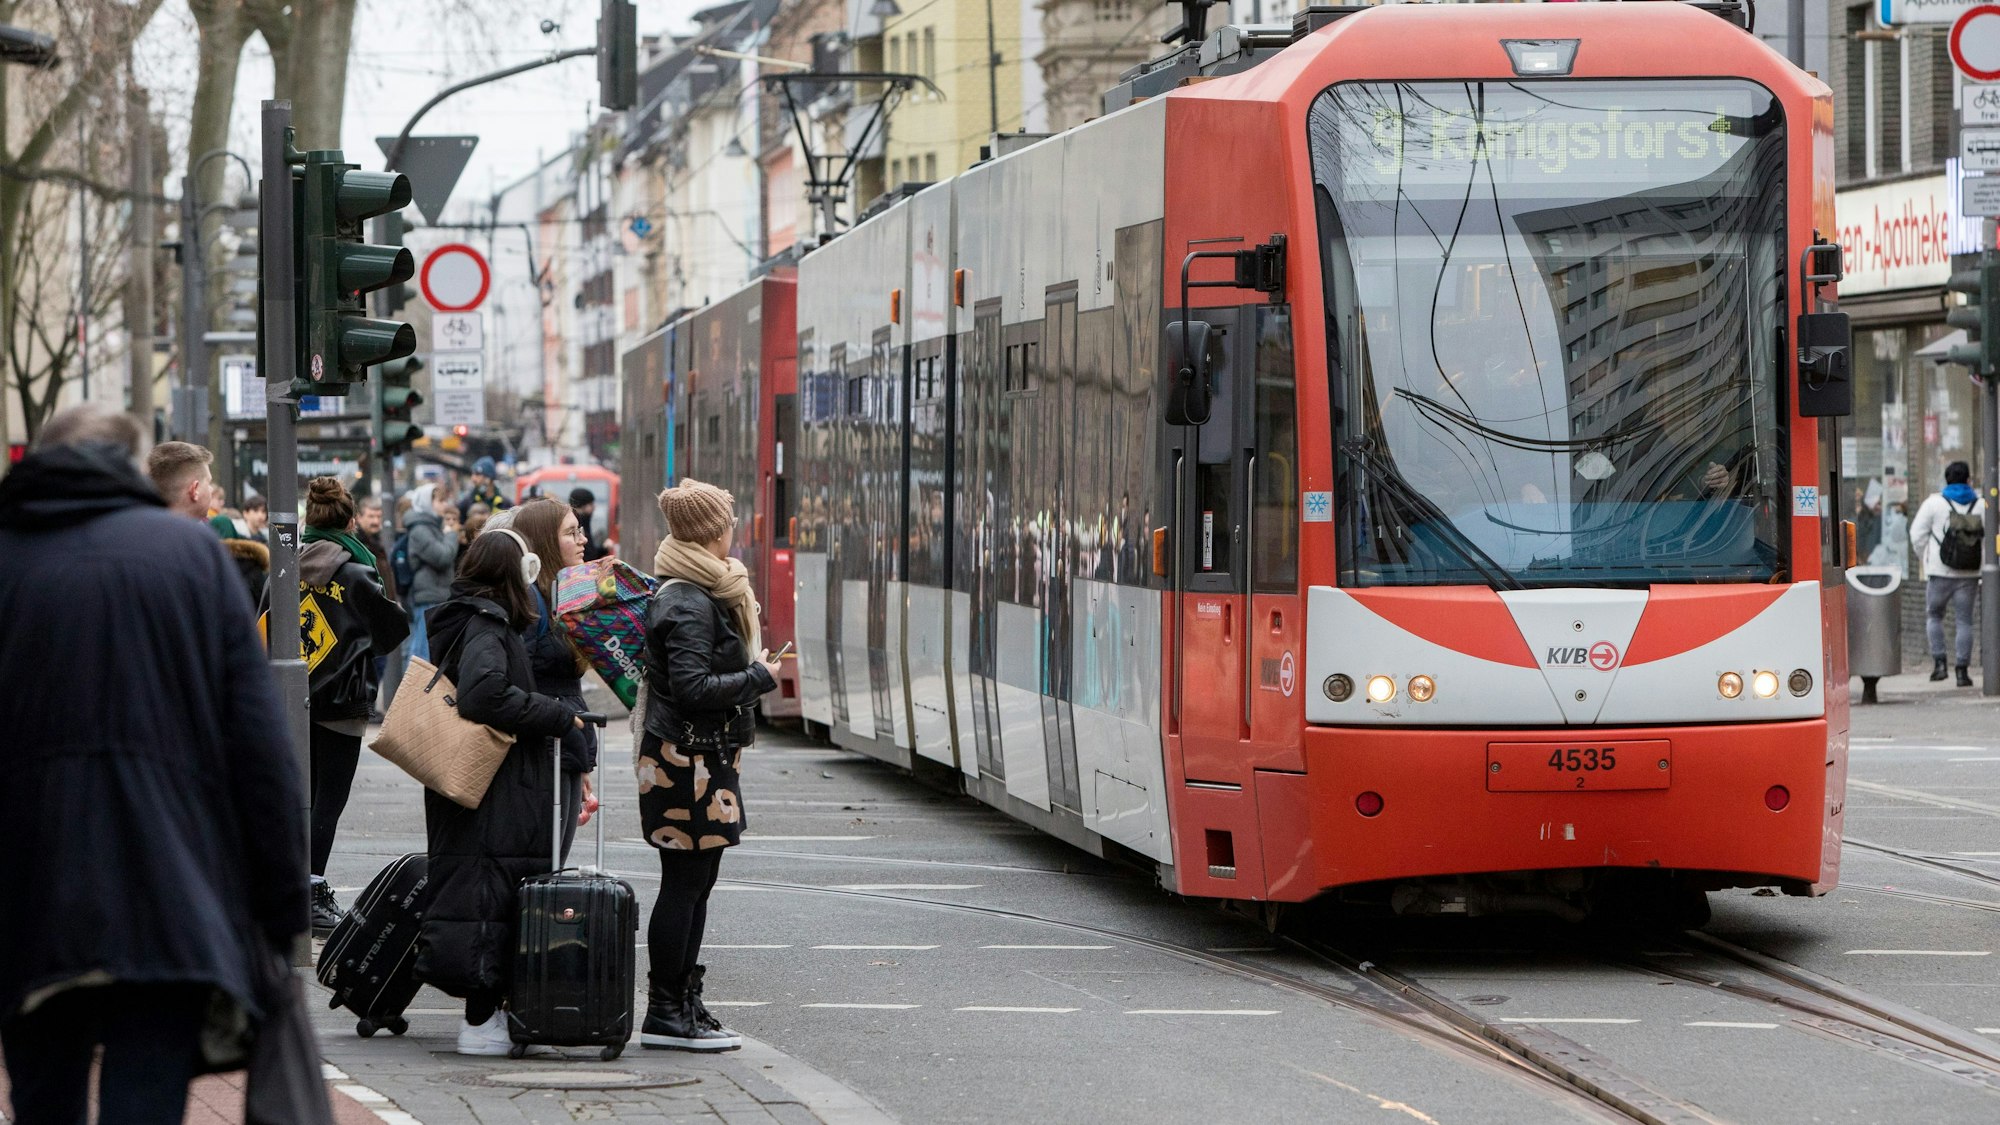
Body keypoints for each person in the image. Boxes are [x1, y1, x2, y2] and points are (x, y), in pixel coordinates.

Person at [0, 403, 308, 1121]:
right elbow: (258, 748)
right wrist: (280, 903)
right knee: (147, 1097)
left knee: (43, 1098)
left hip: (28, 887)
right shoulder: (192, 558)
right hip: (168, 884)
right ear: (134, 466)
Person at [415, 531, 588, 1056]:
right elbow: (483, 694)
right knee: (490, 893)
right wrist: (558, 715)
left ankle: (487, 1016)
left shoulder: (470, 616)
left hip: (486, 783)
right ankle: (480, 1020)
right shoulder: (488, 623)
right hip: (495, 785)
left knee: (481, 890)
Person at [638, 480, 780, 1053]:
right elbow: (693, 688)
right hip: (685, 759)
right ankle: (667, 1011)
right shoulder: (688, 602)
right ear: (712, 531)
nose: (732, 530)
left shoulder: (697, 591)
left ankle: (680, 1003)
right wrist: (757, 678)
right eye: (727, 521)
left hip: (700, 754)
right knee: (685, 885)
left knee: (696, 884)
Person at [280, 478, 409, 932]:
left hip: (291, 698)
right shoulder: (358, 570)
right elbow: (392, 630)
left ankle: (290, 889)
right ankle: (311, 891)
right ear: (350, 520)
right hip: (341, 700)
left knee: (295, 797)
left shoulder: (286, 564)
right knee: (327, 801)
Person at [511, 498, 599, 861]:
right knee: (543, 865)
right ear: (545, 541)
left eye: (580, 531)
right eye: (571, 533)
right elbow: (522, 680)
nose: (583, 541)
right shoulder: (531, 601)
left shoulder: (556, 594)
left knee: (553, 863)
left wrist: (577, 764)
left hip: (561, 747)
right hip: (543, 750)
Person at [1909, 460, 1986, 686]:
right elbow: (1989, 537)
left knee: (1934, 616)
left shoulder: (1934, 503)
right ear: (1969, 480)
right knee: (1965, 621)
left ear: (1946, 479)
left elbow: (1916, 534)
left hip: (1939, 572)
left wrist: (1925, 557)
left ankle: (1940, 665)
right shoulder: (1981, 505)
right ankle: (1962, 672)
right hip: (1970, 573)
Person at [403, 483, 459, 661]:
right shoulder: (420, 530)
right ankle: (414, 689)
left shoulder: (432, 526)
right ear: (427, 502)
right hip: (429, 597)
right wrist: (451, 535)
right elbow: (442, 557)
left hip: (438, 595)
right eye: (440, 501)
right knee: (422, 652)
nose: (444, 505)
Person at [145, 440, 215, 520]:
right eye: (208, 482)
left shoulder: (132, 526)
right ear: (194, 490)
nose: (211, 489)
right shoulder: (200, 532)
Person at [457, 456, 512, 521]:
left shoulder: (505, 503)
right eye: (473, 474)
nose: (473, 478)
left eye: (477, 474)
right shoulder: (467, 502)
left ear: (489, 478)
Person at [570, 487, 610, 561]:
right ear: (583, 506)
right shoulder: (579, 523)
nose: (594, 507)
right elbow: (589, 555)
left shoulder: (582, 520)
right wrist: (604, 549)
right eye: (591, 504)